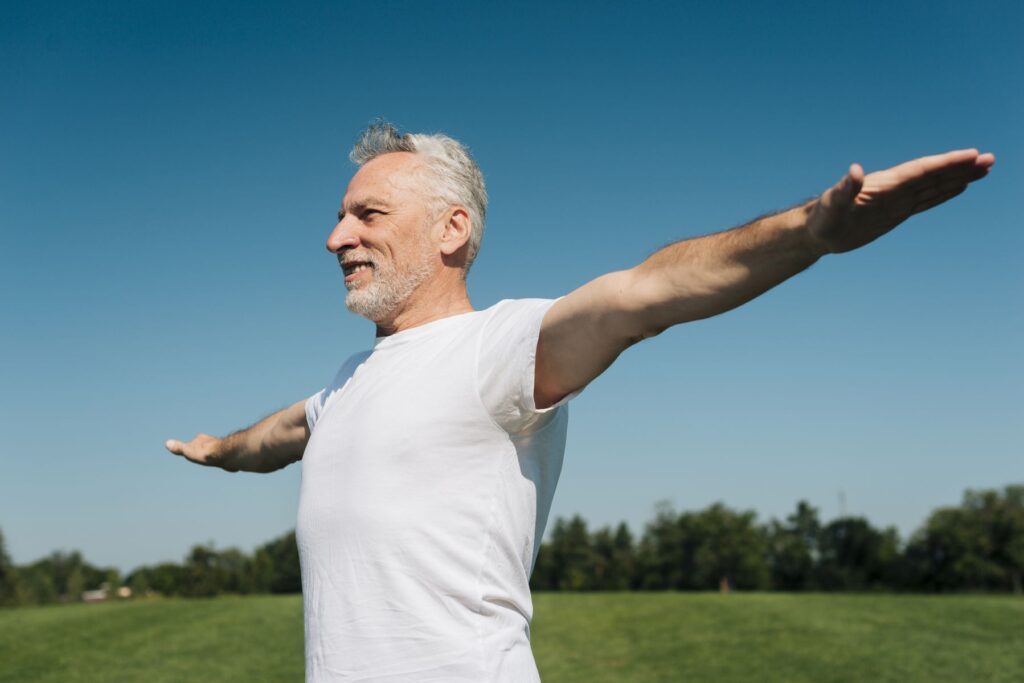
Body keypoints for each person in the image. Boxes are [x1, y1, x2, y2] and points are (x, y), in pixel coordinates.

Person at [165, 121, 994, 681]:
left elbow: (646, 292)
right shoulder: (346, 383)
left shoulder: (497, 348)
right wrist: (219, 449)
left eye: (366, 213)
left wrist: (811, 231)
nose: (335, 236)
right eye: (339, 216)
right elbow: (280, 432)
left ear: (451, 230)